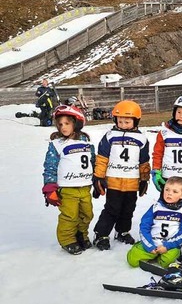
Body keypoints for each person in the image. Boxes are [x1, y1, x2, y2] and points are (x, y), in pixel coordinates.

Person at [92, 100, 151, 251]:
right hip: (113, 181)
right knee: (112, 209)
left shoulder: (142, 139)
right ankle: (101, 234)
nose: (123, 124)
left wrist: (144, 179)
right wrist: (98, 177)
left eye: (127, 121)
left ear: (136, 121)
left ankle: (122, 231)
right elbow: (102, 158)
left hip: (132, 181)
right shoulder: (110, 136)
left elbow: (143, 161)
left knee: (128, 209)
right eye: (120, 121)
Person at [42, 105, 95, 255]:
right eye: (60, 124)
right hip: (67, 188)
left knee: (87, 214)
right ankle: (67, 239)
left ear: (76, 123)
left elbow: (93, 160)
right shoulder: (56, 144)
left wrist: (98, 178)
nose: (63, 127)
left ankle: (81, 235)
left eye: (67, 123)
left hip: (85, 186)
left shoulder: (86, 141)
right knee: (70, 215)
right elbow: (50, 166)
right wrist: (50, 187)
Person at [126, 176, 182, 268]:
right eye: (167, 190)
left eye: (175, 192)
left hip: (169, 244)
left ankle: (159, 256)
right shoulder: (156, 207)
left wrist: (168, 246)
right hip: (153, 241)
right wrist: (149, 245)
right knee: (133, 260)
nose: (169, 194)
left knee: (168, 262)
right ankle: (145, 250)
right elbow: (144, 226)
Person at [151, 96, 182, 201]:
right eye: (178, 112)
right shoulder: (164, 132)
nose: (181, 116)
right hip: (168, 177)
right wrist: (156, 171)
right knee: (166, 204)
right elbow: (158, 153)